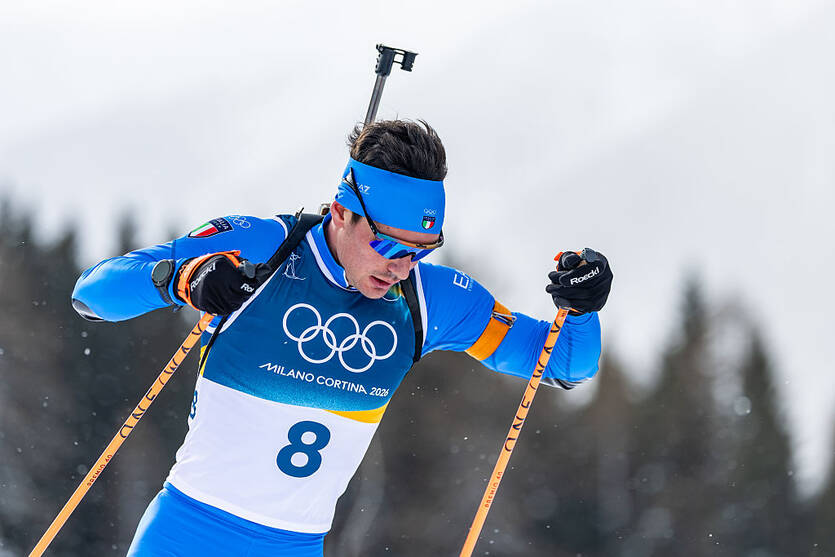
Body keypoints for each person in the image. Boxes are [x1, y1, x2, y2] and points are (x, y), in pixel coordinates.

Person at [72, 120, 613, 556]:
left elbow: (566, 363)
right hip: (187, 533)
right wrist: (183, 280)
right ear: (341, 213)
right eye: (389, 246)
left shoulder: (432, 300)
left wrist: (582, 308)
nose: (403, 267)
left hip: (297, 545)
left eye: (422, 249)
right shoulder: (266, 247)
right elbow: (93, 294)